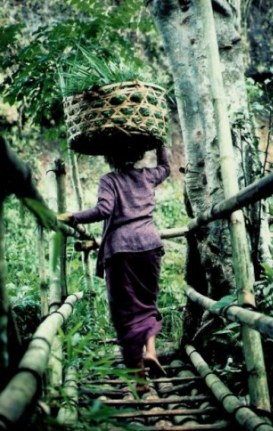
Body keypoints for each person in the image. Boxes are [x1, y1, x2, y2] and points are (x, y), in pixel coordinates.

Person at [58, 144, 170, 393]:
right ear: (138, 154)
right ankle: (150, 351)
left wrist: (73, 216)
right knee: (147, 303)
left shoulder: (110, 180)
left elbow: (104, 210)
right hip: (150, 245)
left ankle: (139, 378)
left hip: (121, 250)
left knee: (125, 311)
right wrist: (160, 144)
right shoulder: (148, 176)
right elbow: (165, 167)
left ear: (109, 157)